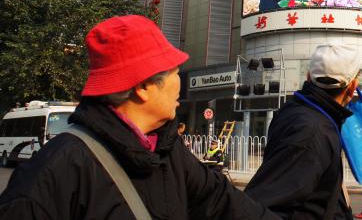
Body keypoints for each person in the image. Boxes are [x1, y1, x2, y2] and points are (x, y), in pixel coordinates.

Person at [0, 15, 279, 220]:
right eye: (173, 71)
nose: (178, 82)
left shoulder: (167, 151)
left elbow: (224, 204)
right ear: (143, 87)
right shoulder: (55, 172)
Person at [245, 44, 361, 219]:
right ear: (352, 87)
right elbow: (264, 205)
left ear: (308, 77)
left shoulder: (303, 113)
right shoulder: (312, 131)